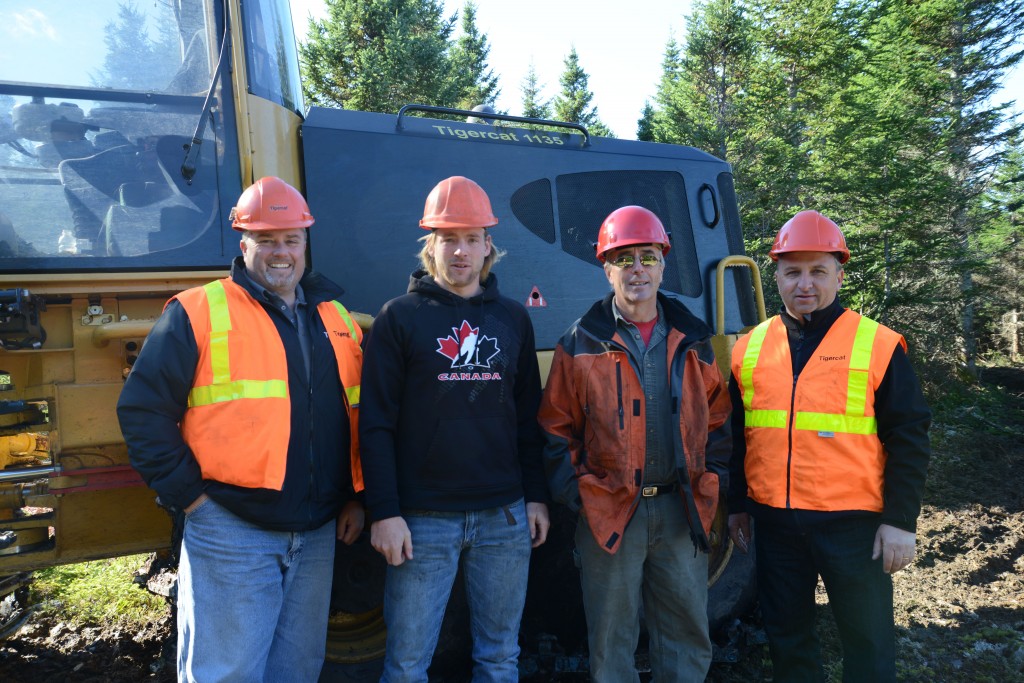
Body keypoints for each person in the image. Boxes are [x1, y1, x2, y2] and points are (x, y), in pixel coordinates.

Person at [117, 176, 365, 682]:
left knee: (296, 671)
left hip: (317, 531)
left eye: (291, 239)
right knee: (225, 673)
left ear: (305, 241)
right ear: (243, 241)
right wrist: (192, 500)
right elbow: (142, 411)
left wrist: (356, 496)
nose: (281, 253)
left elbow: (356, 414)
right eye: (266, 239)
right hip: (231, 529)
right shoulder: (198, 311)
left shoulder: (335, 316)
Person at [727, 210, 931, 682]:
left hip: (855, 530)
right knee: (789, 641)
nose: (805, 284)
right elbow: (739, 437)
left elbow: (909, 437)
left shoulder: (877, 345)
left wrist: (900, 521)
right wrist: (738, 505)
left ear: (839, 274)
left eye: (818, 270)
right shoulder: (749, 348)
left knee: (868, 642)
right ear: (775, 274)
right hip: (776, 529)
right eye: (793, 271)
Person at [360, 175, 550, 682]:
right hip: (423, 520)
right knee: (405, 665)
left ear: (489, 245)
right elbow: (375, 423)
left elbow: (529, 417)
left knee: (499, 657)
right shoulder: (398, 319)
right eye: (449, 238)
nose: (460, 251)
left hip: (504, 519)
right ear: (431, 245)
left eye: (471, 238)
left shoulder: (513, 319)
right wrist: (384, 512)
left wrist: (535, 497)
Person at [539, 205, 732, 683]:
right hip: (609, 512)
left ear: (664, 263)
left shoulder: (694, 340)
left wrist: (714, 482)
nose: (637, 269)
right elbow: (554, 428)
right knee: (610, 639)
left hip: (680, 509)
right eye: (624, 259)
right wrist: (579, 496)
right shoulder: (579, 343)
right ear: (606, 269)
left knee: (686, 634)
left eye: (647, 256)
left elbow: (719, 422)